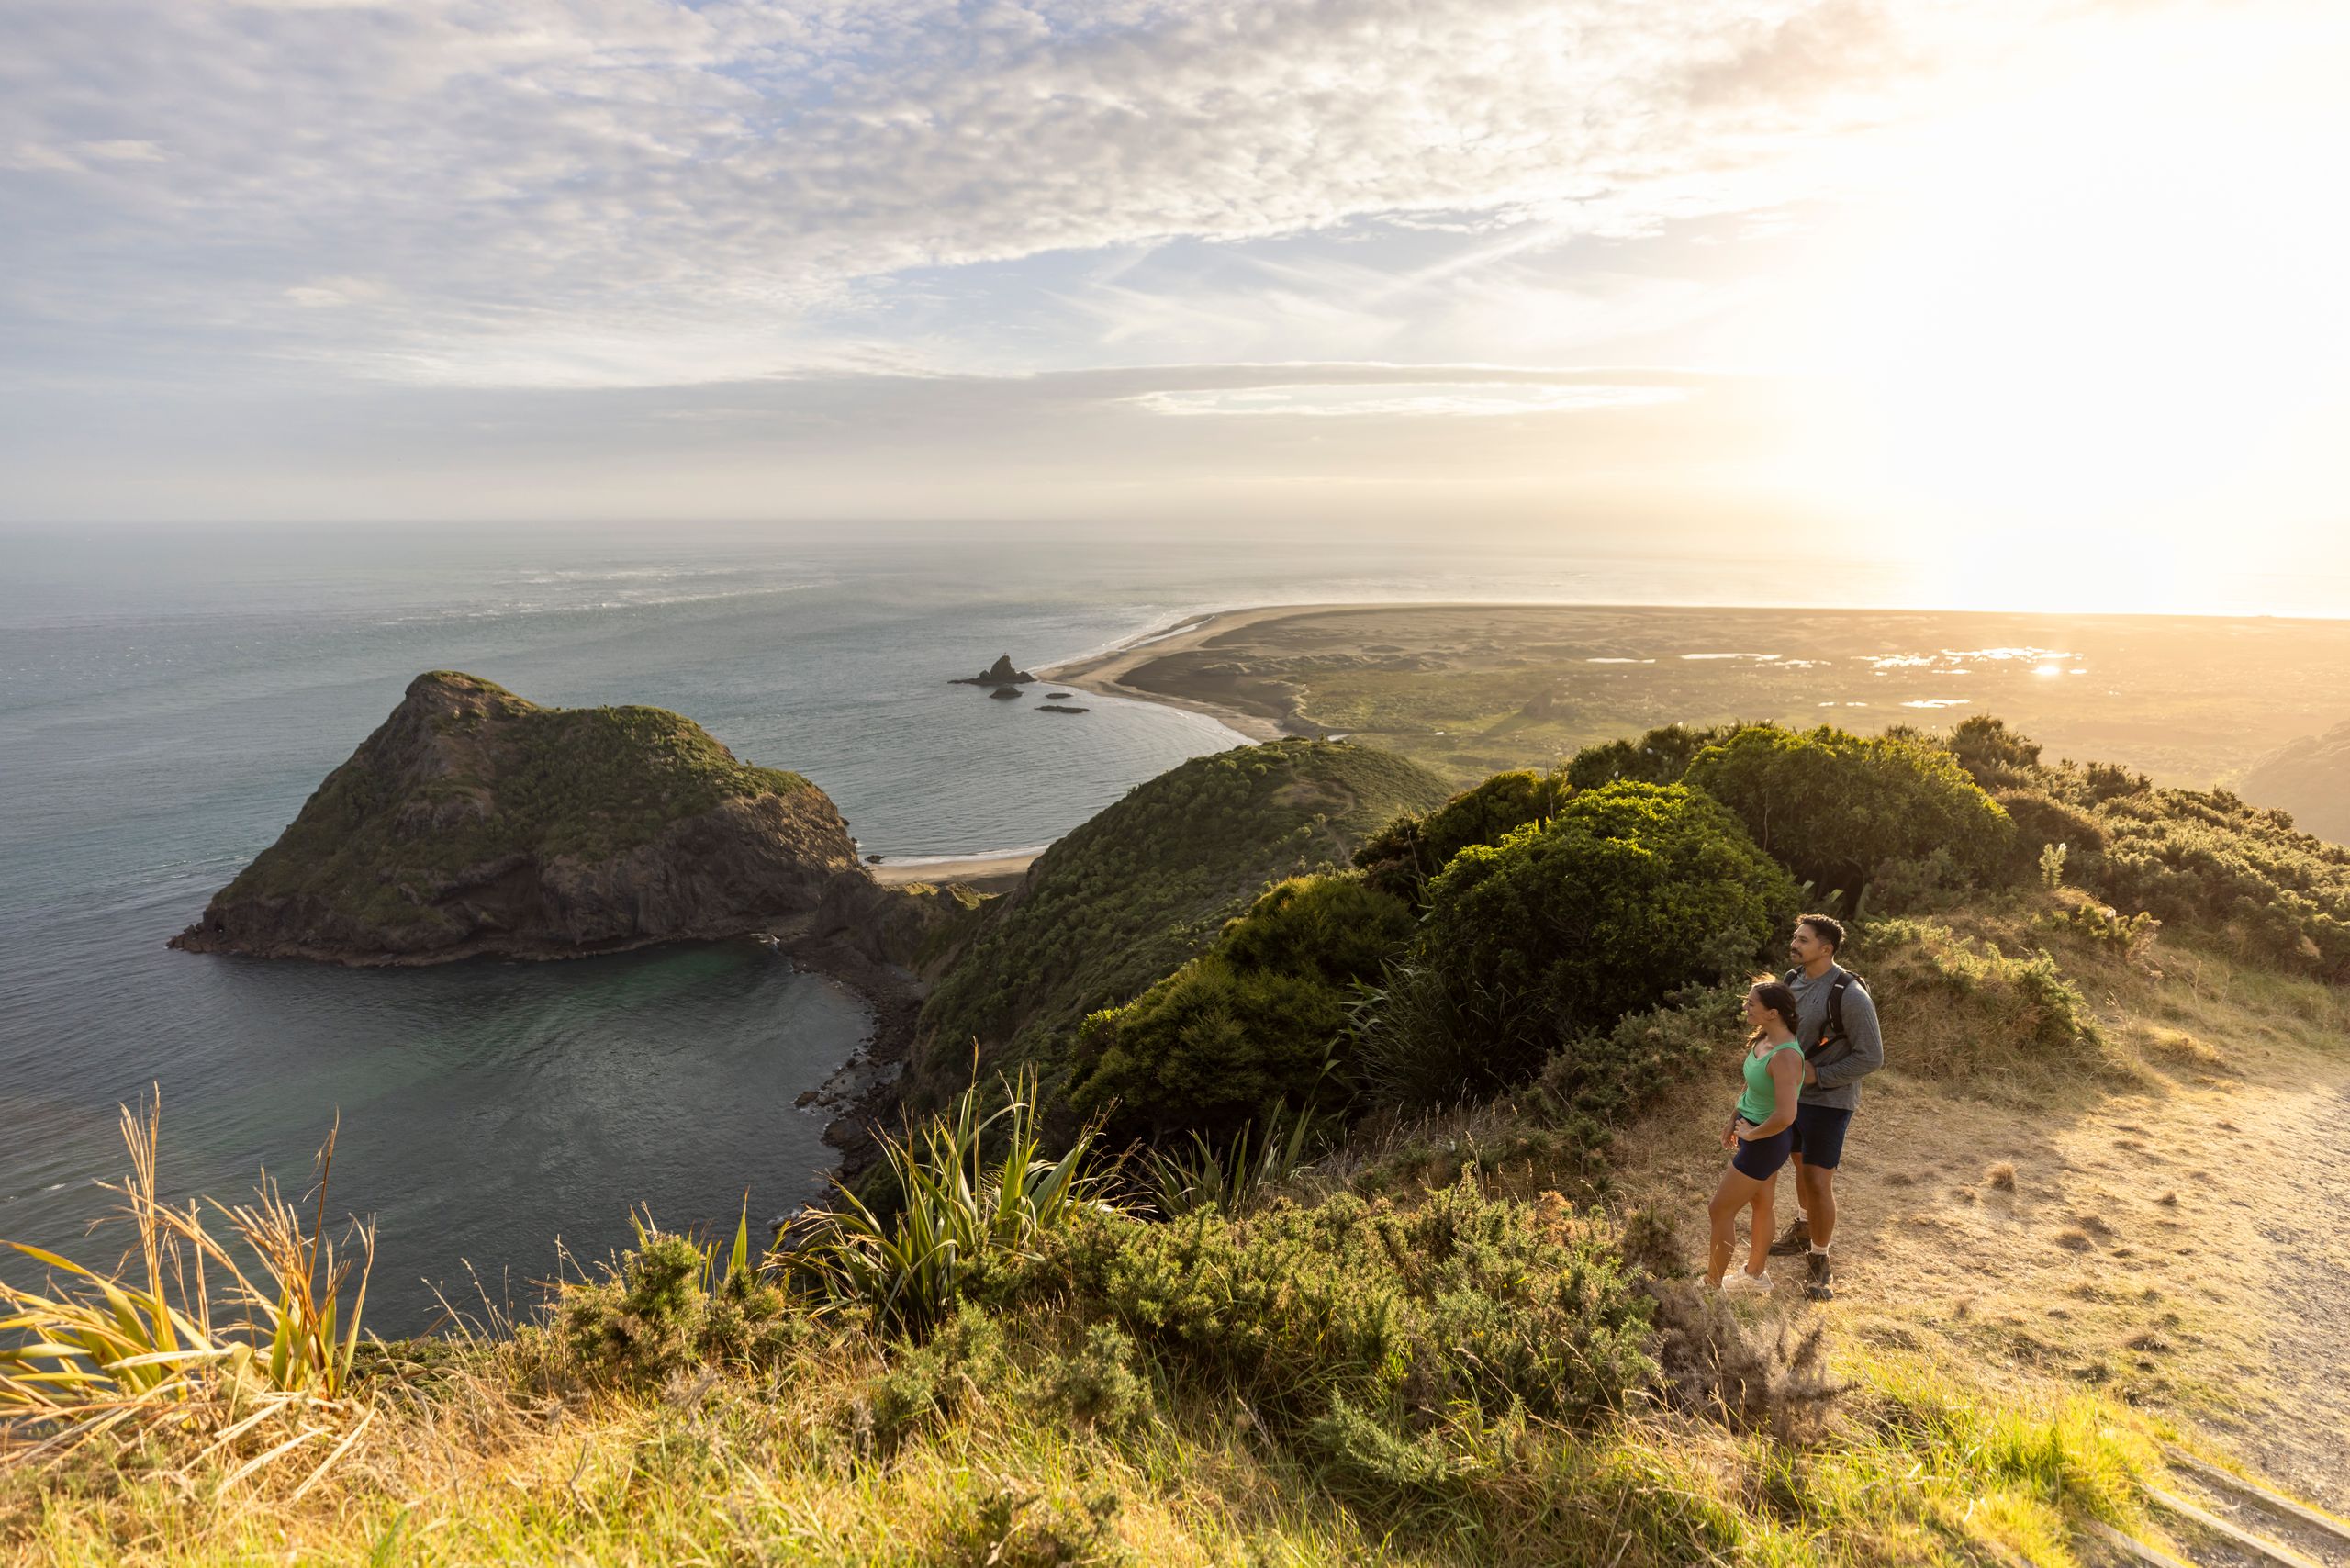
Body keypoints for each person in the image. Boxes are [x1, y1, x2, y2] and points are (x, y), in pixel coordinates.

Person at [1766, 913, 1883, 1301]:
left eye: (1803, 940)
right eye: (1795, 937)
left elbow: (1871, 1057)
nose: (1794, 944)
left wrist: (1818, 1076)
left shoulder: (1849, 994)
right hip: (1790, 1097)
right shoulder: (1792, 980)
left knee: (1818, 1179)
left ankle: (1820, 1260)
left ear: (1825, 948)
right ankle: (1802, 1229)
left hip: (1829, 1102)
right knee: (1799, 1167)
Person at [1706, 978, 1807, 1293]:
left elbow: (1786, 1115)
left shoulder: (1786, 1057)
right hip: (1756, 1133)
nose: (1745, 1007)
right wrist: (1733, 1119)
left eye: (1752, 1003)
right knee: (1762, 1204)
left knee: (1719, 1209)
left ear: (1773, 1012)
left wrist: (1752, 1135)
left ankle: (1711, 1285)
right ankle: (1755, 1277)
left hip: (1767, 1141)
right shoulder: (1762, 1040)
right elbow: (1751, 1086)